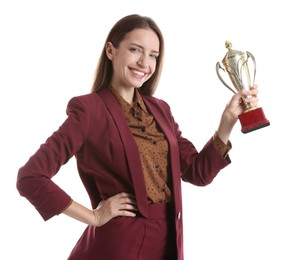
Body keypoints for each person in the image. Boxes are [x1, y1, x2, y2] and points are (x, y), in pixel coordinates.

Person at [17, 14, 259, 260]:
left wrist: (228, 119)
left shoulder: (160, 110)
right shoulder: (89, 110)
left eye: (153, 55)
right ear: (111, 51)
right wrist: (94, 216)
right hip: (117, 246)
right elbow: (30, 177)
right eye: (135, 50)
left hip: (168, 243)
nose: (145, 62)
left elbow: (197, 173)